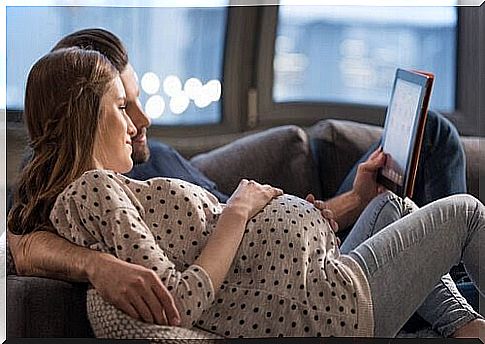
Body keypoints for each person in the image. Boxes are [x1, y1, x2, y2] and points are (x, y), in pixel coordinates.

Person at [6, 28, 478, 334]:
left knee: (403, 187)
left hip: (311, 259)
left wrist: (347, 203)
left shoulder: (146, 169)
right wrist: (94, 266)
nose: (141, 119)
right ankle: (457, 291)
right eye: (123, 105)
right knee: (464, 210)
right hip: (318, 296)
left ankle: (463, 319)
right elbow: (20, 242)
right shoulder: (99, 188)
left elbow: (225, 233)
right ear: (85, 115)